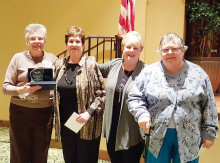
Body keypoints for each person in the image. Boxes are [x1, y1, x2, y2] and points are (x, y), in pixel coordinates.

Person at [127, 33, 219, 163]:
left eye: (175, 49)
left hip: (190, 136)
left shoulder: (198, 74)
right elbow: (134, 97)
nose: (170, 52)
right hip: (156, 136)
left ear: (183, 50)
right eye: (165, 49)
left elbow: (209, 105)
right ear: (160, 52)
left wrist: (209, 133)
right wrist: (141, 114)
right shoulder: (149, 73)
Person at [2, 23, 58, 163]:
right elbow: (5, 87)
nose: (37, 42)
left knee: (41, 152)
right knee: (19, 152)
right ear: (27, 42)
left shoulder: (53, 60)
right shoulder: (17, 58)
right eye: (33, 38)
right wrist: (21, 90)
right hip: (20, 112)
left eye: (40, 38)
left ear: (44, 41)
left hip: (44, 114)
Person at [54, 26, 105, 163]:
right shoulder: (59, 65)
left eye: (77, 41)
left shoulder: (90, 64)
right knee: (70, 159)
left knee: (86, 159)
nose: (74, 44)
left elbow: (102, 94)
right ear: (66, 44)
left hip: (87, 124)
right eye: (71, 41)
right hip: (67, 123)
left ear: (83, 45)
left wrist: (89, 112)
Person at [99, 31, 146, 163]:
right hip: (111, 129)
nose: (131, 50)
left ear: (141, 50)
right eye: (128, 47)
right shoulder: (114, 65)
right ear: (123, 48)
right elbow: (93, 70)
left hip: (132, 133)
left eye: (135, 48)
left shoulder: (146, 71)